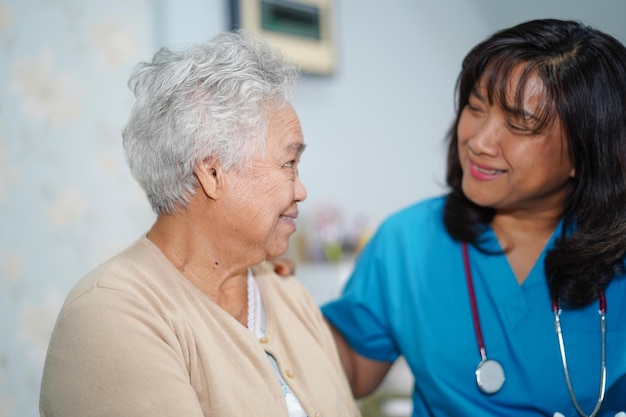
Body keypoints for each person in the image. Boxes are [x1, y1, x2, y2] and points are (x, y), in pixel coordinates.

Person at [280, 18, 626, 416]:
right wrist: (280, 302)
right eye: (475, 108)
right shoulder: (408, 242)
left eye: (518, 125)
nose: (478, 142)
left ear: (588, 150)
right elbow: (355, 371)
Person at [39, 30, 361, 417]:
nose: (302, 190)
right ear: (212, 172)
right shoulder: (109, 317)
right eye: (288, 164)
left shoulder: (289, 295)